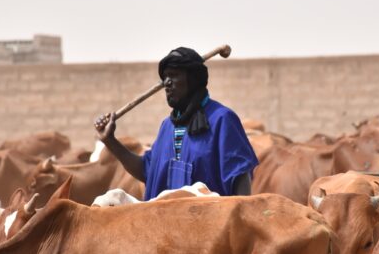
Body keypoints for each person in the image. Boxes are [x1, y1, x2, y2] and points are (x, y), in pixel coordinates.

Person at [94, 47, 258, 200]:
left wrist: (240, 223)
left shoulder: (222, 120)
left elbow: (240, 177)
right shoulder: (167, 127)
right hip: (169, 227)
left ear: (193, 80)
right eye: (165, 77)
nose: (167, 83)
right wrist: (110, 140)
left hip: (211, 227)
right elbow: (147, 171)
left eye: (174, 75)